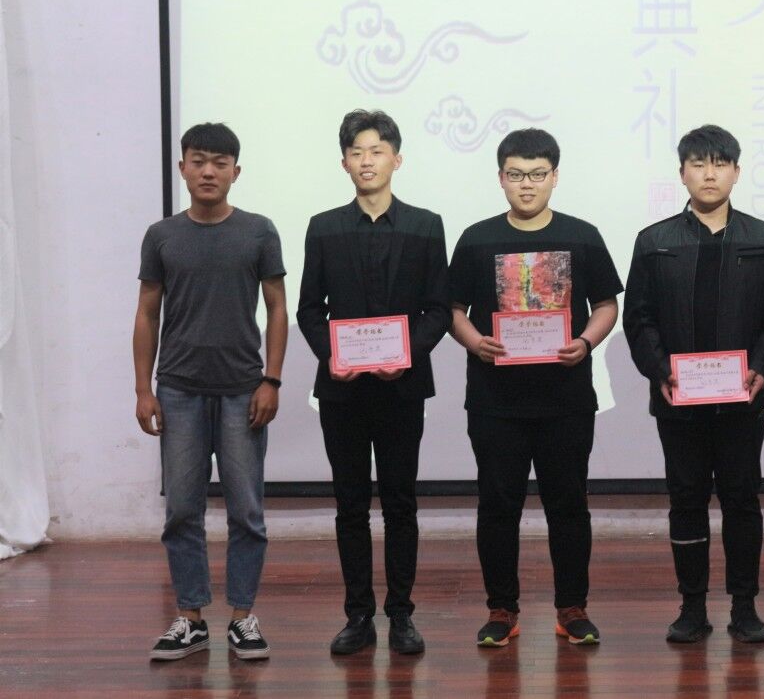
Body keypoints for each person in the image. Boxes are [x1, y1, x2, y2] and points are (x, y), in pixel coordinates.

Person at [623, 124, 764, 644]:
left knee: (742, 500)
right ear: (682, 173)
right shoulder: (654, 241)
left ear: (737, 172)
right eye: (698, 164)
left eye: (720, 163)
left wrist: (760, 368)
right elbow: (639, 319)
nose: (709, 174)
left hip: (743, 400)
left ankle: (745, 607)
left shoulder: (763, 238)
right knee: (686, 501)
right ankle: (692, 607)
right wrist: (661, 371)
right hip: (678, 402)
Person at [448, 128, 622, 647]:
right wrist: (476, 342)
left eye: (538, 174)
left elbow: (606, 304)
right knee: (497, 506)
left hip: (565, 400)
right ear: (501, 178)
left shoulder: (582, 235)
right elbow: (452, 309)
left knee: (568, 506)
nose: (527, 184)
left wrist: (586, 342)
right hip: (495, 400)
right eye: (517, 174)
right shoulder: (477, 238)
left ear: (555, 177)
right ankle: (501, 610)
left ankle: (572, 608)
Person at [297, 110, 451, 656]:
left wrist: (406, 354)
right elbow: (309, 310)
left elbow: (438, 309)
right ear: (344, 163)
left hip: (401, 388)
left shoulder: (425, 225)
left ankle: (402, 614)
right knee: (350, 504)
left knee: (401, 503)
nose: (367, 160)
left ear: (396, 159)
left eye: (377, 151)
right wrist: (330, 354)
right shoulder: (324, 226)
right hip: (342, 390)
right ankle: (358, 615)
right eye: (357, 152)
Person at [134, 123, 287, 661]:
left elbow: (277, 308)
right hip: (178, 390)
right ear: (182, 168)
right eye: (198, 161)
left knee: (247, 511)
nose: (208, 172)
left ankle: (243, 617)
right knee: (182, 510)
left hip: (243, 390)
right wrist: (143, 389)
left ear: (235, 172)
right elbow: (147, 313)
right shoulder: (162, 235)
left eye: (220, 163)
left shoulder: (259, 231)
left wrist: (271, 379)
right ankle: (191, 618)